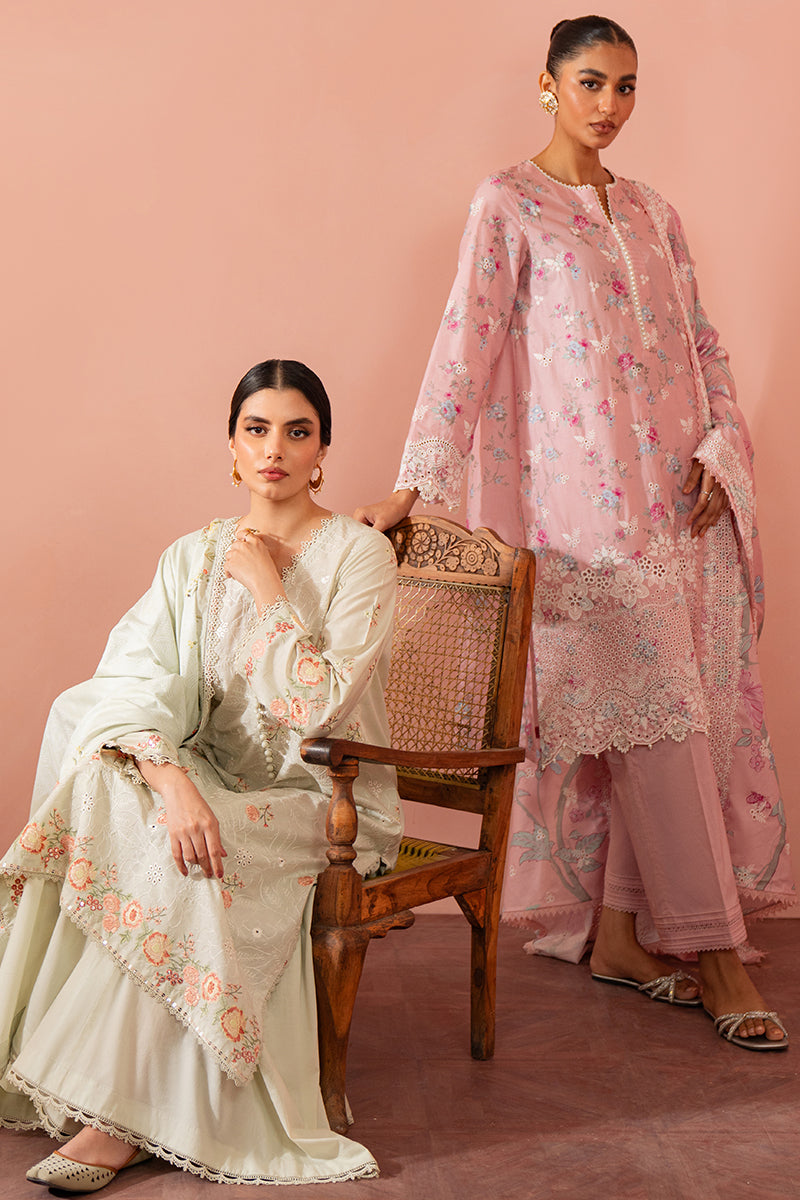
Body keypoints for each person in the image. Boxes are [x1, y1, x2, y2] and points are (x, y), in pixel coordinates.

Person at [356, 16, 793, 1050]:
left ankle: (620, 940)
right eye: (590, 82)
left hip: (682, 505)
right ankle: (713, 950)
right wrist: (412, 486)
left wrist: (721, 449)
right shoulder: (508, 203)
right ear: (546, 86)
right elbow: (464, 347)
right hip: (584, 523)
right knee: (658, 721)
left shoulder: (652, 212)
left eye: (626, 86)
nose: (609, 105)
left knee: (672, 720)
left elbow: (702, 344)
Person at [0, 359, 402, 1189]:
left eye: (297, 431)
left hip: (322, 799)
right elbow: (131, 681)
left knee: (184, 850)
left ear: (323, 450)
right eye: (257, 429)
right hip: (209, 781)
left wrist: (266, 590)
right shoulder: (193, 555)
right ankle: (126, 1099)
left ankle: (115, 1123)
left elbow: (318, 706)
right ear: (231, 444)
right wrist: (173, 782)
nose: (274, 449)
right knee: (116, 787)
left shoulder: (360, 556)